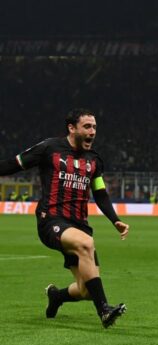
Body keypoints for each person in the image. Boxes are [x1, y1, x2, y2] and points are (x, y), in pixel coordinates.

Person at [0, 108, 129, 327]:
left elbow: (100, 193)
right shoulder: (49, 148)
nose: (92, 132)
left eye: (95, 127)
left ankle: (57, 296)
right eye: (87, 127)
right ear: (72, 128)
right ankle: (104, 311)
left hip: (80, 224)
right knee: (86, 244)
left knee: (86, 289)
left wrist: (114, 219)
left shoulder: (94, 160)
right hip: (51, 220)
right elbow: (14, 164)